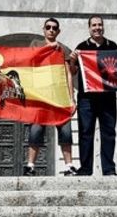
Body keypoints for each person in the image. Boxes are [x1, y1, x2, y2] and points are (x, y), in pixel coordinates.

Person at [23, 17, 77, 176]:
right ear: (44, 29)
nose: (51, 30)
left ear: (58, 31)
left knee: (66, 131)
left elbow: (68, 74)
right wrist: (49, 48)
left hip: (59, 96)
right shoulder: (35, 44)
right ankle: (30, 165)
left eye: (54, 28)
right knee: (36, 130)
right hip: (41, 96)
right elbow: (29, 59)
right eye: (48, 27)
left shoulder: (62, 50)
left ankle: (69, 166)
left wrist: (71, 98)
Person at [72, 15, 117, 175]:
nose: (97, 28)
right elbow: (73, 72)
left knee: (109, 133)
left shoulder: (112, 46)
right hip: (87, 99)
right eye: (94, 25)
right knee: (85, 133)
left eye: (100, 25)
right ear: (89, 28)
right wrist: (72, 60)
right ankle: (85, 168)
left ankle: (109, 169)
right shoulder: (81, 47)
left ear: (103, 27)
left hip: (108, 98)